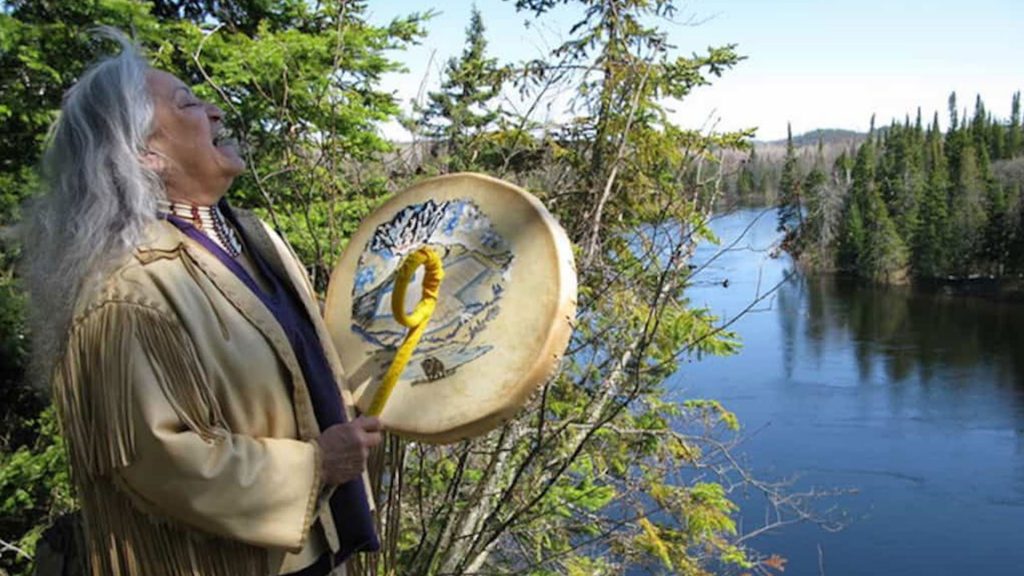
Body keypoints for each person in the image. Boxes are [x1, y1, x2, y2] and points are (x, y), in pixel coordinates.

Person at [22, 29, 382, 576]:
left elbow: (302, 362)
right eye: (188, 104)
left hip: (317, 545)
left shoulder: (252, 237)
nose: (214, 111)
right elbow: (160, 459)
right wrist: (316, 466)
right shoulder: (125, 292)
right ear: (145, 153)